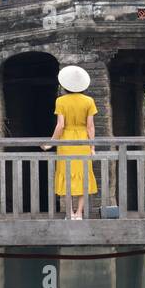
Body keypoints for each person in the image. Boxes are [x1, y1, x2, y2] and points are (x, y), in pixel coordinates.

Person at [47, 65, 98, 220]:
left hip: (66, 142)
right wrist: (92, 147)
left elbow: (60, 125)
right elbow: (90, 126)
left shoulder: (61, 101)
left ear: (65, 85)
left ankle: (69, 213)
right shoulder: (89, 101)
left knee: (66, 175)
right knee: (83, 175)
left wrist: (51, 143)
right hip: (83, 140)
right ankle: (79, 213)